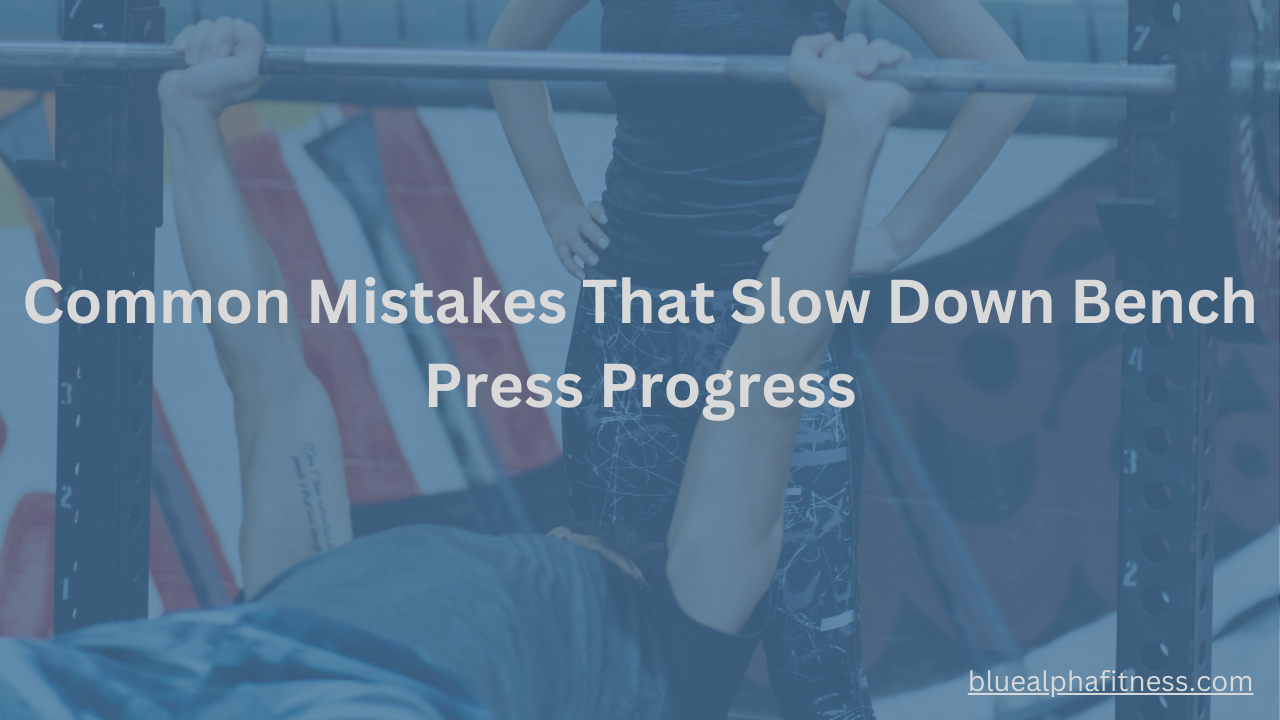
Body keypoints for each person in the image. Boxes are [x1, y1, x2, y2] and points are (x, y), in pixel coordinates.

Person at [0, 19, 911, 720]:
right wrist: (192, 114)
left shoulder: (679, 648)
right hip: (207, 660)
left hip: (364, 691)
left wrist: (853, 132)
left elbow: (767, 380)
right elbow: (266, 369)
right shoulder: (312, 564)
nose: (562, 530)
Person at [489, 3, 1032, 716]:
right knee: (621, 633)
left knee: (817, 666)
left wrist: (897, 235)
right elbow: (510, 47)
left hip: (778, 316)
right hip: (630, 324)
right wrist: (556, 202)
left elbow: (1006, 77)